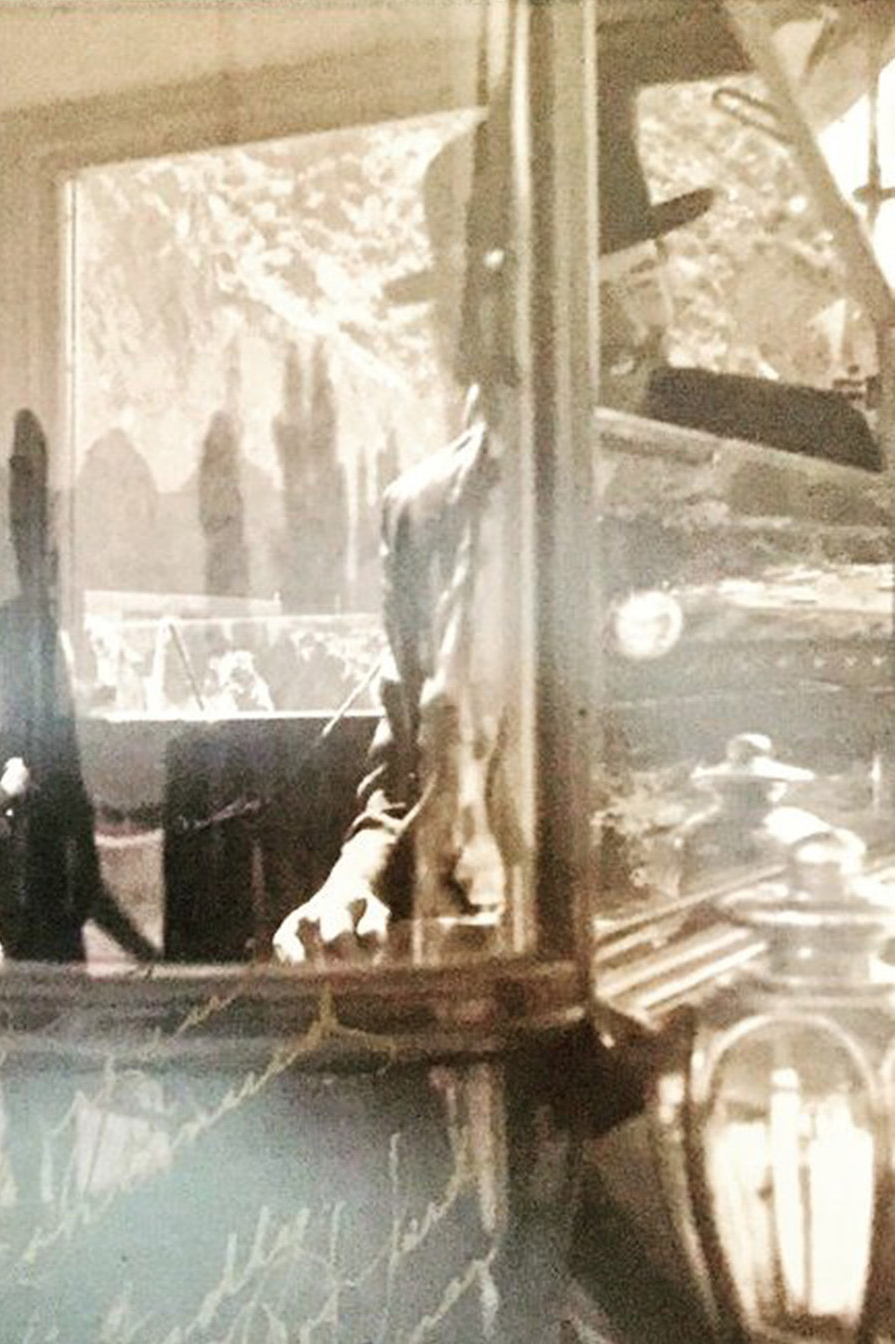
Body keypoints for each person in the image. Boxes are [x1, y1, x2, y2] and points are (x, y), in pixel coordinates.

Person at [272, 83, 717, 963]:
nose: (632, 332)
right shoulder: (424, 511)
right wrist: (349, 882)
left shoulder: (767, 463)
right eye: (589, 298)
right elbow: (409, 772)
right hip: (504, 959)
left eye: (643, 281)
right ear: (500, 321)